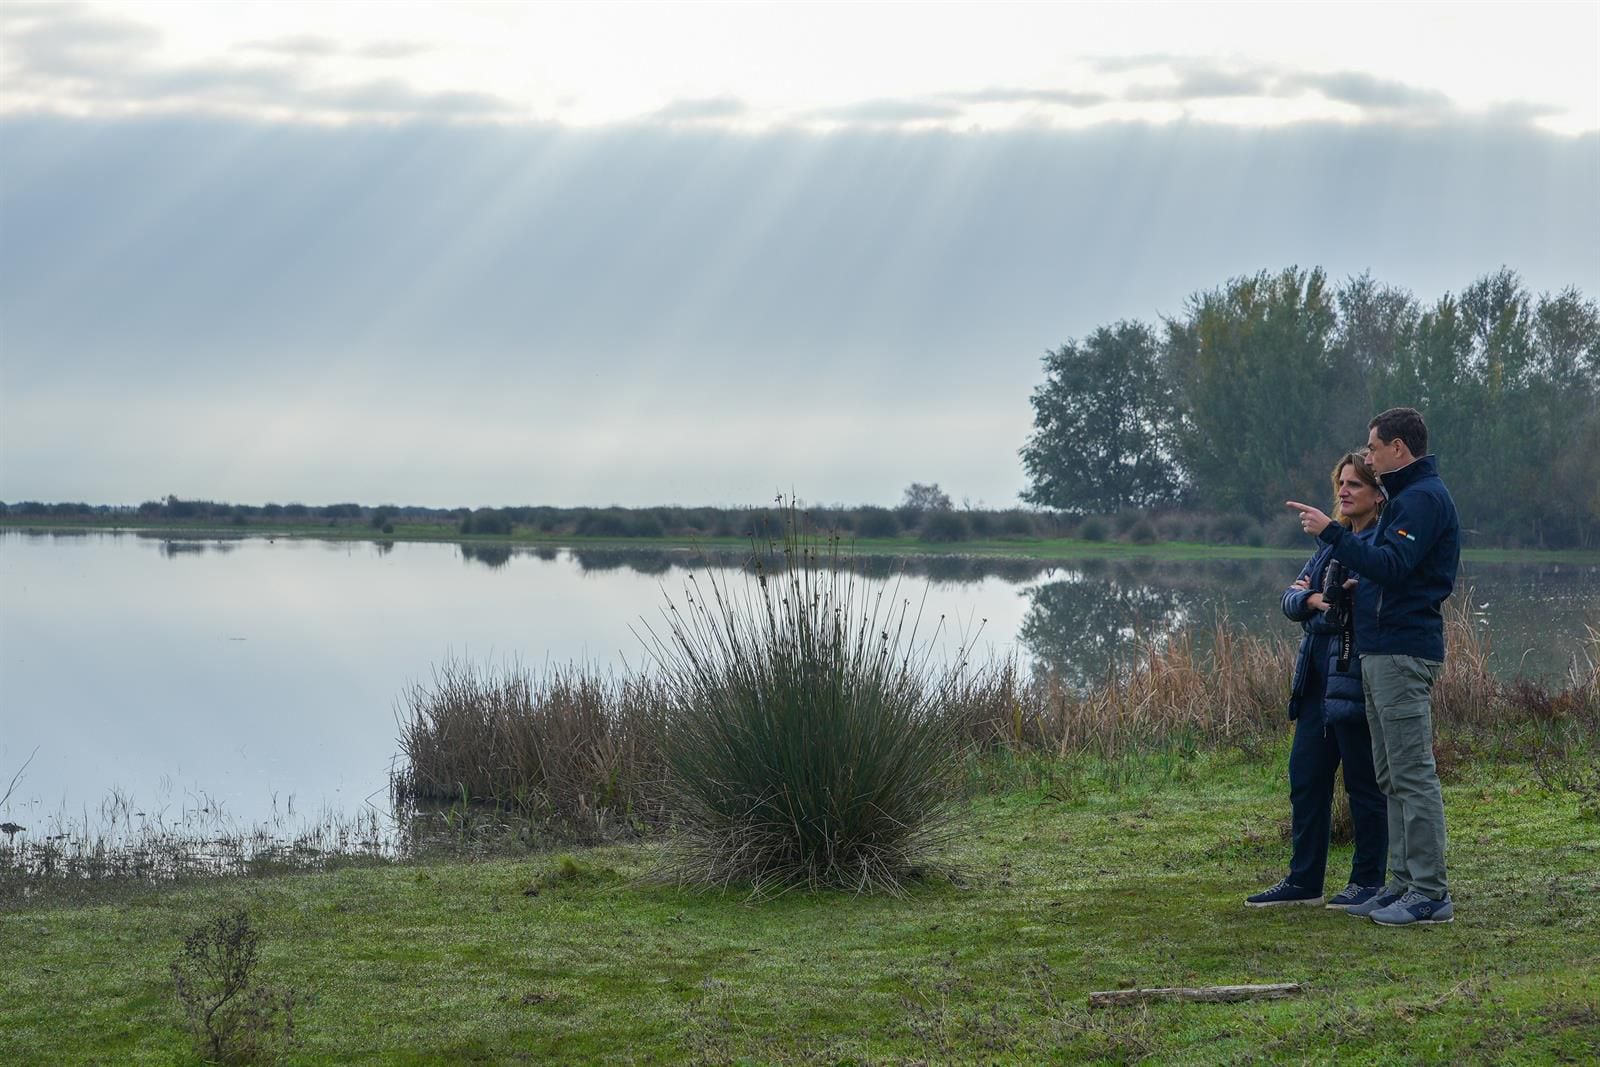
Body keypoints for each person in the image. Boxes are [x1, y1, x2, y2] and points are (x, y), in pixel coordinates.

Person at [1286, 407, 1460, 926]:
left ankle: (1430, 892)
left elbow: (1395, 565)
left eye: (1375, 447)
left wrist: (1331, 534)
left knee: (1412, 774)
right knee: (1390, 774)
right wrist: (1368, 585)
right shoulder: (1406, 500)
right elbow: (1393, 573)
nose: (1370, 455)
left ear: (1399, 449)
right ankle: (1404, 885)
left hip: (1403, 651)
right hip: (1382, 650)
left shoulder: (1422, 500)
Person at [1247, 452, 1388, 910]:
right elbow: (1291, 598)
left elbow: (1368, 605)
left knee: (1364, 786)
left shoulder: (1380, 546)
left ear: (1377, 495)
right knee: (1306, 780)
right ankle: (1303, 881)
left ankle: (1367, 882)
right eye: (1341, 484)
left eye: (1356, 485)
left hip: (1354, 680)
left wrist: (1339, 605)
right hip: (1314, 682)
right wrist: (1311, 600)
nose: (1344, 492)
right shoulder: (1330, 546)